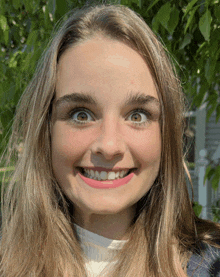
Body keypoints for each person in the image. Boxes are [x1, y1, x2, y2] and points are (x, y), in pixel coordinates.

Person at [0, 3, 220, 277]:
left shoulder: (209, 266)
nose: (109, 146)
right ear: (45, 130)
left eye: (138, 115)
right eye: (81, 115)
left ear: (167, 135)